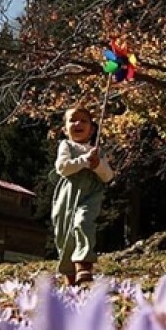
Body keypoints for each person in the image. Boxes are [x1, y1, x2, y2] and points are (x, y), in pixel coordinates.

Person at [50, 106, 114, 285]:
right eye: (72, 120)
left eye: (83, 120)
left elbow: (108, 176)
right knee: (65, 232)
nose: (78, 123)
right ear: (64, 129)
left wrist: (97, 164)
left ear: (92, 129)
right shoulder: (67, 145)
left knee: (83, 221)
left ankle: (84, 265)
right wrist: (84, 160)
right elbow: (62, 167)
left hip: (90, 195)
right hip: (68, 194)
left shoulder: (97, 151)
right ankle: (71, 277)